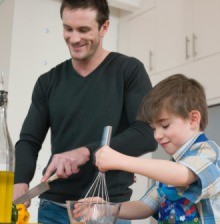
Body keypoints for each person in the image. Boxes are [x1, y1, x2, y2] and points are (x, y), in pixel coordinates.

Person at [13, 0, 157, 223]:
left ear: (104, 27)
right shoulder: (48, 82)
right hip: (53, 208)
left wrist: (85, 152)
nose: (74, 38)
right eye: (68, 28)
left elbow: (147, 134)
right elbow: (29, 141)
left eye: (84, 30)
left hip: (106, 209)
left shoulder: (128, 71)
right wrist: (20, 181)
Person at [90, 74, 220, 223]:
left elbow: (182, 176)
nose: (157, 135)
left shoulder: (209, 153)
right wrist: (107, 208)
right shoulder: (171, 166)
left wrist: (119, 160)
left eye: (164, 125)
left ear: (193, 119)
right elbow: (144, 206)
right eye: (153, 128)